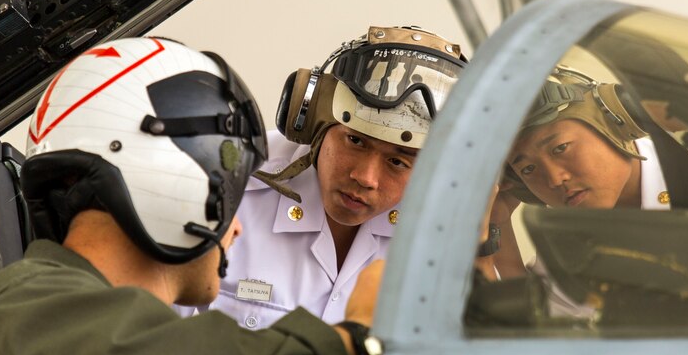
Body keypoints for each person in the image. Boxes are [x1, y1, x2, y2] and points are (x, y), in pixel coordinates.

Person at [0, 37, 384, 355]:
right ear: (170, 178)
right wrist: (359, 341)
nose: (237, 226)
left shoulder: (42, 319)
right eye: (229, 194)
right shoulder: (23, 315)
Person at [193, 25, 499, 330]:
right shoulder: (230, 179)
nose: (365, 177)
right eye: (355, 141)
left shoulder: (438, 235)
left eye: (397, 161)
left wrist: (477, 245)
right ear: (313, 119)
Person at [504, 65, 688, 212]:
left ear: (615, 123)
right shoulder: (566, 243)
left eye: (560, 148)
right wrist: (496, 229)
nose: (554, 179)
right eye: (527, 169)